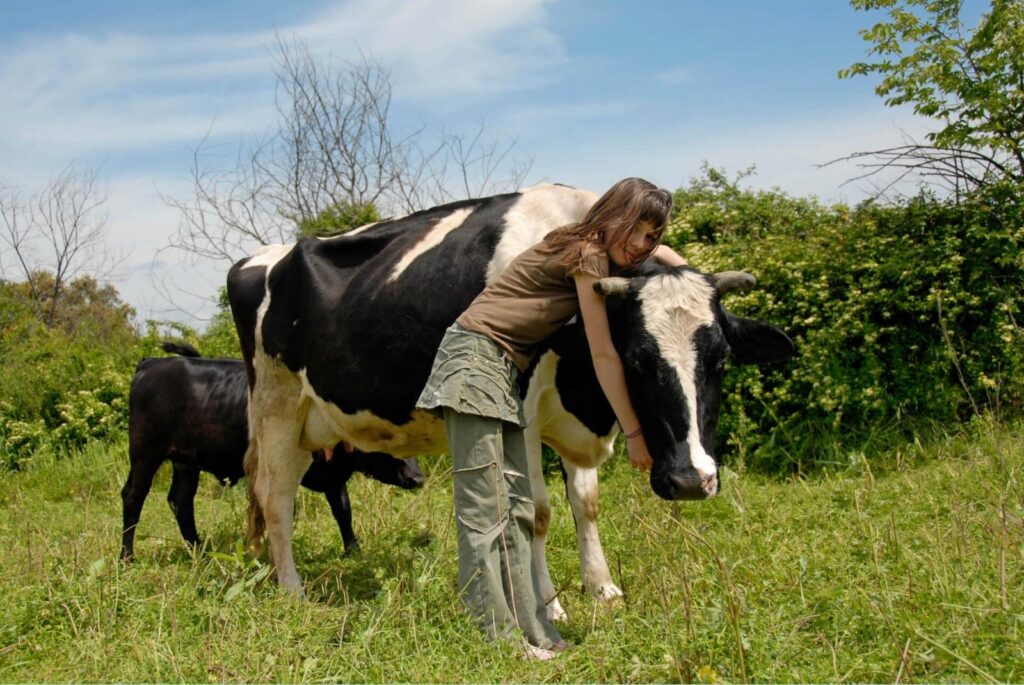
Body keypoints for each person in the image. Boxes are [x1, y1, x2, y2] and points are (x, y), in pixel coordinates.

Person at [415, 177, 687, 659]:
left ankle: (534, 626)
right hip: (475, 359)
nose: (647, 246)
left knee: (518, 504)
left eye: (655, 237)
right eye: (642, 232)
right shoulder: (586, 256)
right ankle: (498, 637)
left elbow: (660, 257)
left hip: (506, 369)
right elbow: (603, 355)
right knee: (485, 507)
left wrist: (682, 268)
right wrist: (635, 433)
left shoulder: (582, 242)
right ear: (617, 220)